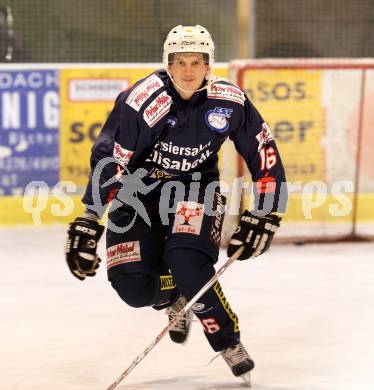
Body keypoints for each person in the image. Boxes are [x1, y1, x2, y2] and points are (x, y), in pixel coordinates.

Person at [65, 25, 287, 385]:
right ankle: (174, 294)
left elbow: (263, 153)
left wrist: (266, 210)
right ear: (167, 63)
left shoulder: (228, 101)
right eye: (179, 62)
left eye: (196, 62)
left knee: (186, 258)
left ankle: (226, 340)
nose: (187, 71)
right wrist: (91, 216)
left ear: (208, 64)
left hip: (194, 189)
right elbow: (112, 158)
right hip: (135, 193)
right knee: (134, 288)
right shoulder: (143, 101)